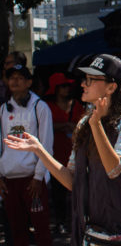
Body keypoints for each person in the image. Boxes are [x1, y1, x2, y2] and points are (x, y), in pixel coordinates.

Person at [4, 54, 121, 246]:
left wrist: (96, 124)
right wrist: (39, 150)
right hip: (92, 233)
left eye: (91, 80)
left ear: (111, 86)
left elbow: (115, 167)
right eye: (85, 79)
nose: (83, 84)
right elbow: (73, 181)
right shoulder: (85, 122)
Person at [0, 64, 56, 246]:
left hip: (33, 178)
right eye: (11, 78)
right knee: (16, 228)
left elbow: (47, 143)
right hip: (10, 177)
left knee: (41, 228)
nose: (15, 81)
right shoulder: (3, 109)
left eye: (19, 78)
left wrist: (39, 176)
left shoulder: (39, 107)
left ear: (29, 82)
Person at [44, 72, 85, 234]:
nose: (67, 89)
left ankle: (76, 222)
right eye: (63, 86)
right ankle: (61, 222)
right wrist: (63, 126)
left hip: (75, 153)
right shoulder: (47, 107)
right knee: (58, 193)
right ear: (55, 88)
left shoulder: (77, 104)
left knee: (76, 191)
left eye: (68, 86)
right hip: (55, 154)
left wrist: (73, 127)